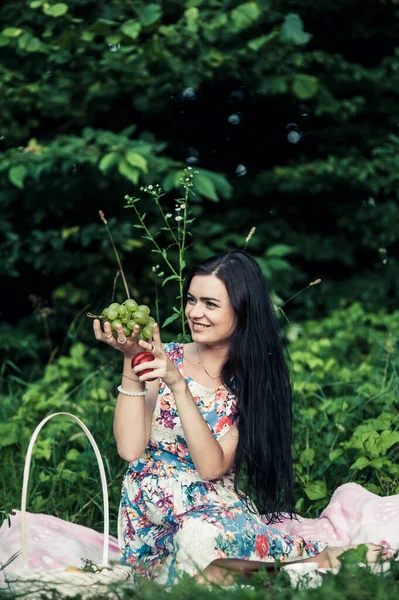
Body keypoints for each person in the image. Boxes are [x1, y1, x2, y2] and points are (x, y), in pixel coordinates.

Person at [93, 250, 388, 586]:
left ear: (242, 309)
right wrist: (131, 362)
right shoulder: (166, 356)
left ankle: (296, 566)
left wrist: (178, 386)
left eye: (210, 303)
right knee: (172, 575)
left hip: (210, 512)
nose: (195, 313)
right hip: (148, 515)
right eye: (191, 300)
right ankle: (283, 571)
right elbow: (130, 450)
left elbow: (211, 467)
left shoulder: (252, 384)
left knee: (199, 540)